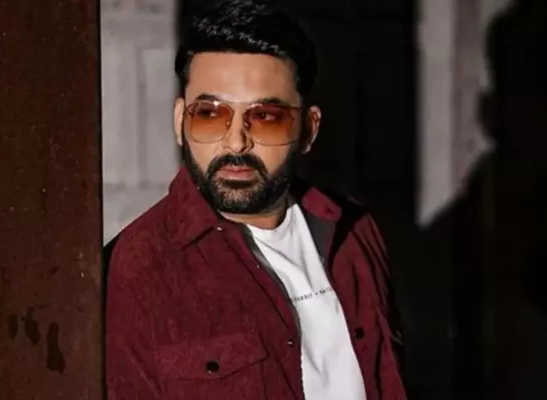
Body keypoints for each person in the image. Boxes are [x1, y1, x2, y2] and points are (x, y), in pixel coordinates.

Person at [105, 0, 406, 399]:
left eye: (266, 117)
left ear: (308, 129)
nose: (236, 142)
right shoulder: (136, 268)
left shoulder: (354, 233)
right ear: (180, 122)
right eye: (210, 114)